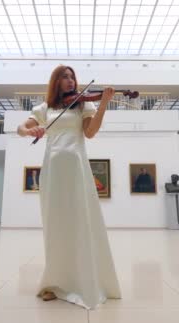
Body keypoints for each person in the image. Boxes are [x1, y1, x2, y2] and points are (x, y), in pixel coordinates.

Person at [16, 65, 121, 309]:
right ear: (56, 82)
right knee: (55, 225)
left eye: (72, 76)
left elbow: (91, 132)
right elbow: (21, 128)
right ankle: (54, 282)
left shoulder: (85, 105)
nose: (70, 80)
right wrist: (29, 130)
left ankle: (84, 281)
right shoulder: (45, 108)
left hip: (76, 168)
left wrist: (104, 103)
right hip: (52, 171)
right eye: (65, 77)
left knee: (80, 221)